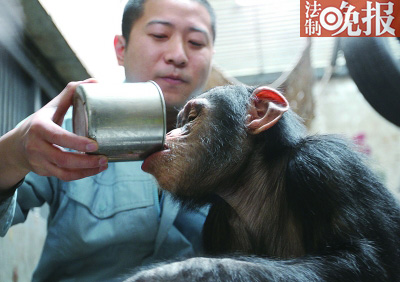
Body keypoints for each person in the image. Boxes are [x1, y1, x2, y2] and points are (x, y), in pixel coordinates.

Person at [0, 0, 216, 280]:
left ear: (213, 55)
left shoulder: (232, 149)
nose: (178, 55)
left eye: (196, 42)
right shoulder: (66, 133)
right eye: (160, 35)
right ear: (121, 49)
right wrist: (12, 154)